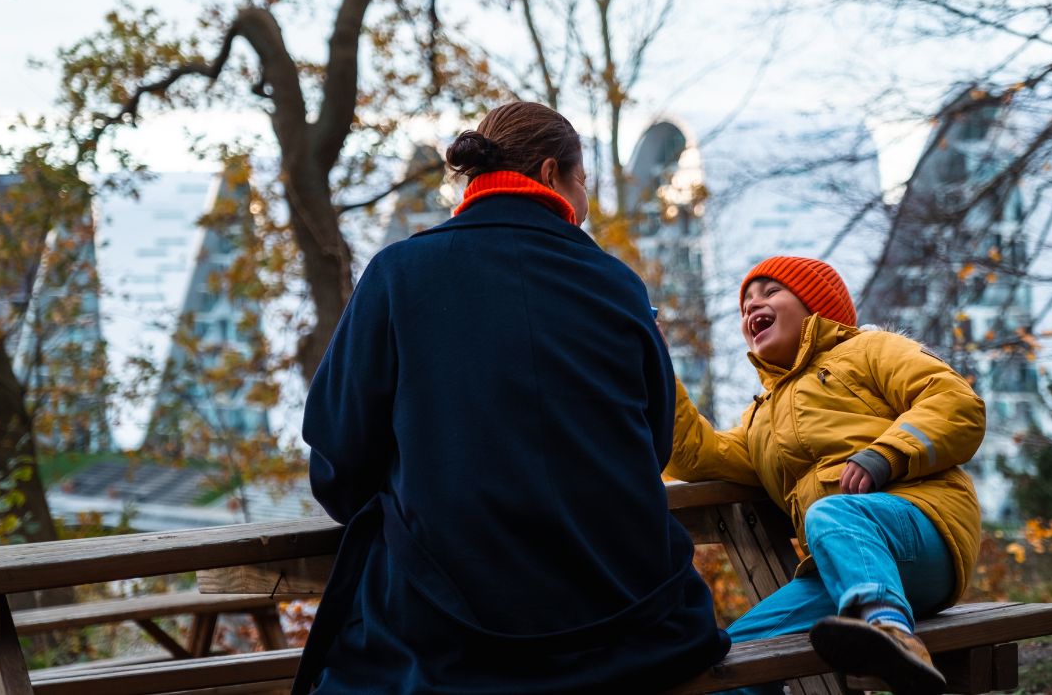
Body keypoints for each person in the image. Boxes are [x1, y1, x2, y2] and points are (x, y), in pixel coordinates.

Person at [293, 101, 728, 694]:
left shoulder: (399, 273)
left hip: (445, 635)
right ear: (552, 174)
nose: (587, 202)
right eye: (584, 183)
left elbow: (338, 458)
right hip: (629, 625)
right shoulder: (618, 285)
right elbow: (650, 447)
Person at [667, 256, 985, 695]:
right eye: (745, 306)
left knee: (831, 514)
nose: (752, 307)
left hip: (924, 532)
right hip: (842, 572)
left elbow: (956, 403)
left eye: (770, 291)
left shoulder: (870, 350)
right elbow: (696, 456)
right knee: (726, 662)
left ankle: (891, 632)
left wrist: (886, 453)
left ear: (815, 302)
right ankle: (879, 626)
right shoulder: (761, 420)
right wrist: (653, 364)